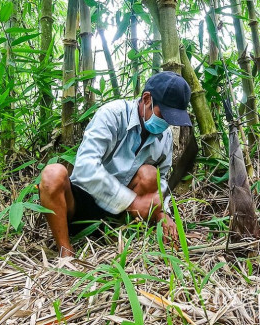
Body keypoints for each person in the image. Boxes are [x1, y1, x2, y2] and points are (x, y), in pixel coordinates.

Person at [39, 71, 192, 257]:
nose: (167, 123)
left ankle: (117, 234)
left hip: (118, 216)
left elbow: (162, 182)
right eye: (164, 114)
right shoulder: (113, 114)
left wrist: (164, 214)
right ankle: (66, 252)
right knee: (52, 174)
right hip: (82, 201)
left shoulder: (165, 137)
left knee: (151, 174)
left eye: (172, 119)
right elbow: (85, 167)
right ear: (146, 99)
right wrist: (133, 202)